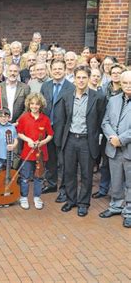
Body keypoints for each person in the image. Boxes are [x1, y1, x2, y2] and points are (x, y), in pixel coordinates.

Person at [60, 66, 107, 217]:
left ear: (89, 79)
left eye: (84, 78)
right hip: (71, 139)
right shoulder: (67, 96)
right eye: (78, 77)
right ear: (74, 79)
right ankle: (71, 200)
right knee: (69, 172)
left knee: (86, 174)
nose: (81, 80)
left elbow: (100, 120)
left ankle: (83, 203)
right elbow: (63, 120)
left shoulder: (98, 97)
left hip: (87, 141)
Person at [100, 71, 131, 228]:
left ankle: (129, 212)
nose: (128, 86)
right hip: (113, 147)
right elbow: (105, 121)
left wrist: (122, 139)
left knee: (130, 183)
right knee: (116, 180)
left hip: (128, 148)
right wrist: (113, 137)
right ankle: (116, 206)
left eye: (130, 83)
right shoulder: (112, 100)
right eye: (125, 83)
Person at [40, 59, 75, 201]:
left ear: (65, 70)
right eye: (55, 69)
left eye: (60, 68)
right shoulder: (45, 86)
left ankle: (64, 190)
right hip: (48, 130)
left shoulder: (71, 88)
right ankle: (52, 183)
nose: (57, 71)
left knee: (64, 162)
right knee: (50, 160)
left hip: (63, 130)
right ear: (51, 70)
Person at [16, 93, 53, 210]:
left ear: (41, 105)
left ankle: (37, 197)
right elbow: (19, 133)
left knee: (39, 177)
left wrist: (42, 142)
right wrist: (28, 140)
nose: (34, 106)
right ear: (28, 104)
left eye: (37, 104)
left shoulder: (45, 119)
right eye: (32, 104)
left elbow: (50, 135)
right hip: (27, 152)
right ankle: (24, 197)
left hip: (41, 154)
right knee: (25, 177)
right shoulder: (24, 118)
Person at [0, 108, 18, 194]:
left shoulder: (11, 127)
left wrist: (13, 145)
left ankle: (7, 191)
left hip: (8, 156)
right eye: (1, 116)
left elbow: (16, 139)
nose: (4, 118)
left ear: (9, 118)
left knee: (8, 176)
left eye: (6, 116)